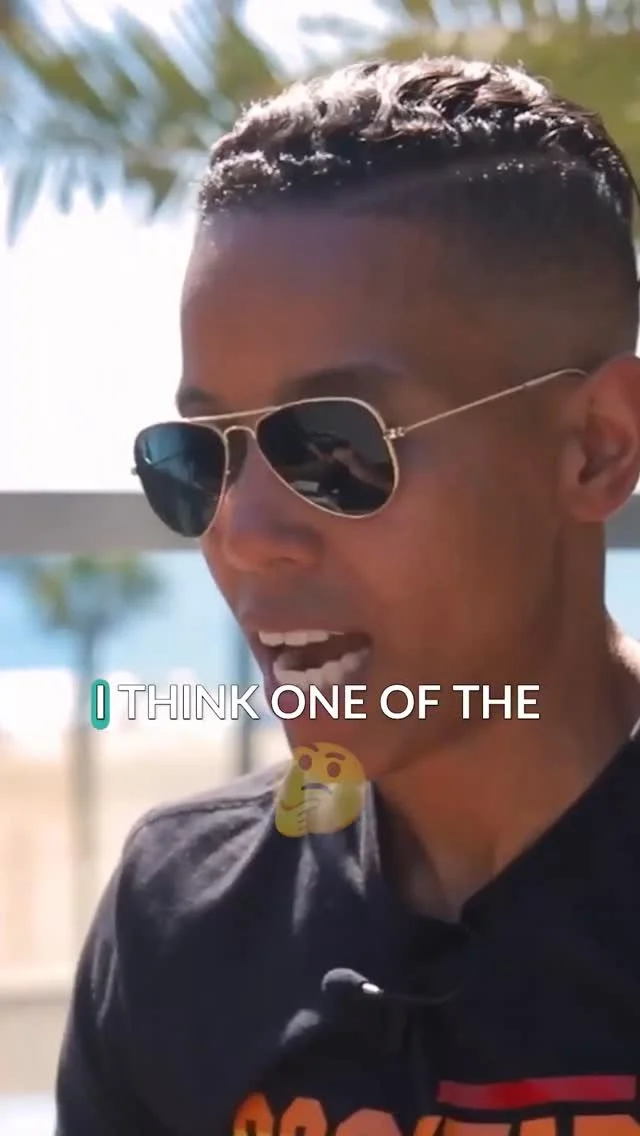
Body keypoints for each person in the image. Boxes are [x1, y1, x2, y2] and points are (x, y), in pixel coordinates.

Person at [56, 55, 640, 1135]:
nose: (243, 533)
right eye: (203, 454)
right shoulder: (179, 922)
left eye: (332, 447)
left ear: (596, 447)